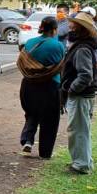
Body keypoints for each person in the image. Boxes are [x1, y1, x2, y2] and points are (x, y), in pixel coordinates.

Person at [17, 17, 65, 158]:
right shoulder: (58, 46)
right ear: (55, 30)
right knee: (50, 120)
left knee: (32, 113)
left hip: (28, 85)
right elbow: (61, 66)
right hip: (50, 86)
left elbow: (23, 60)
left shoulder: (30, 42)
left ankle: (27, 140)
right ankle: (45, 152)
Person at [61, 12, 97, 174]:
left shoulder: (82, 48)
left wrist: (71, 89)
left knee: (79, 130)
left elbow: (85, 75)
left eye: (73, 25)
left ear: (80, 29)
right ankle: (84, 162)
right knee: (81, 129)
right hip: (83, 95)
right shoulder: (82, 45)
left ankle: (81, 165)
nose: (70, 27)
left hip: (81, 96)